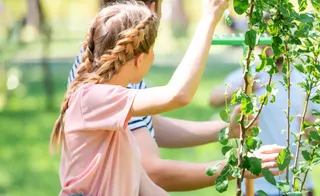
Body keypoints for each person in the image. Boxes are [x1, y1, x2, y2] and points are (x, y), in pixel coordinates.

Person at [56, 0, 287, 195]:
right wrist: (209, 18)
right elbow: (178, 94)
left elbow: (147, 185)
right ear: (139, 58)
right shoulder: (92, 97)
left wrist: (227, 131)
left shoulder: (118, 120)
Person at [209, 37, 320, 196]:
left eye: (277, 37)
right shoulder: (251, 74)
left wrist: (312, 128)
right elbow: (214, 98)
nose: (272, 44)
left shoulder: (306, 80)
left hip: (298, 184)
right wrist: (244, 88)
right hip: (255, 185)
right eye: (267, 37)